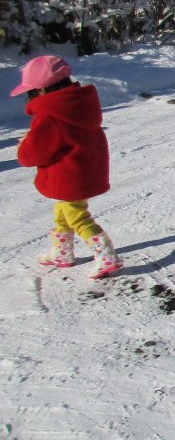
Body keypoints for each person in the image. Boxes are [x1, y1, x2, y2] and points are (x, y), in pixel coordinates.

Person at [11, 55, 123, 279]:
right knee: (62, 213)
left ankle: (107, 256)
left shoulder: (50, 116)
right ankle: (61, 253)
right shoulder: (78, 105)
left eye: (30, 92)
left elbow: (32, 154)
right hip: (82, 171)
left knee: (77, 217)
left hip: (68, 177)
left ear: (42, 90)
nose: (29, 97)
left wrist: (24, 145)